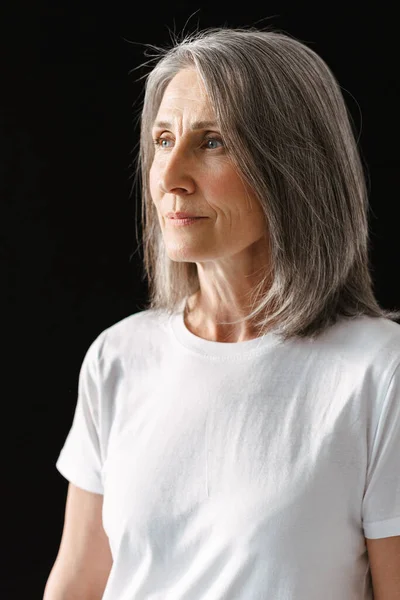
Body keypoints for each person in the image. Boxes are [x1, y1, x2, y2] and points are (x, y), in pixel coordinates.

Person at [43, 26, 400, 600]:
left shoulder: (380, 373)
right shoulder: (119, 357)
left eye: (211, 142)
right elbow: (78, 583)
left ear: (294, 166)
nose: (169, 178)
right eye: (162, 140)